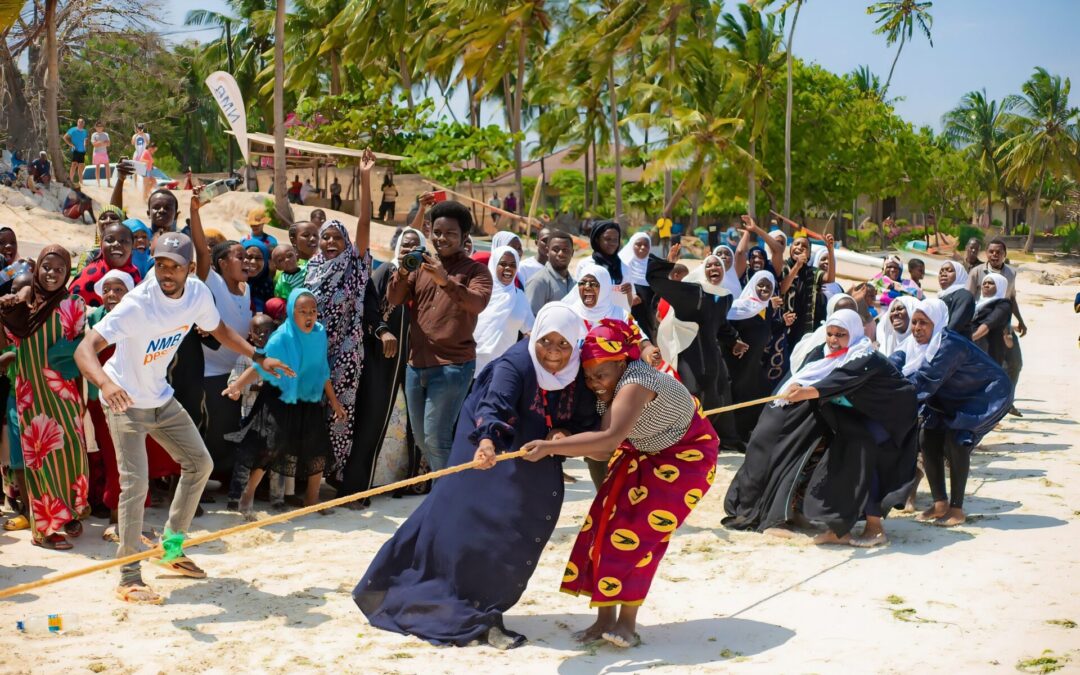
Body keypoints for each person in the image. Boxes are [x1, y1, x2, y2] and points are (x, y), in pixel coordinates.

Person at [355, 303, 597, 649]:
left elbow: (582, 418)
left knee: (519, 520)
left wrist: (561, 434)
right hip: (484, 438)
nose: (554, 353)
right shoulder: (517, 363)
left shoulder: (578, 370)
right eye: (547, 341)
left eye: (563, 344)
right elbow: (494, 405)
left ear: (576, 344)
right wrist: (486, 443)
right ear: (534, 337)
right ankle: (477, 612)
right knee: (472, 519)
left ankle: (488, 605)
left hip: (535, 443)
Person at [74, 231, 292, 604]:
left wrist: (257, 357)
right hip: (124, 402)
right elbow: (85, 349)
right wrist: (105, 384)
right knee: (135, 486)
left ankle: (170, 547)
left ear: (190, 269)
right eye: (160, 264)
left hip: (160, 397)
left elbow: (219, 329)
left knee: (199, 464)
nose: (166, 272)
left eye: (174, 266)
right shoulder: (136, 305)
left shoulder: (196, 294)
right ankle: (128, 575)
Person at [521, 319, 718, 648]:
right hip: (642, 453)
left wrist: (552, 447)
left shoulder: (636, 380)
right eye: (588, 375)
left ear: (622, 363)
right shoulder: (608, 389)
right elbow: (600, 442)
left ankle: (627, 624)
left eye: (602, 374)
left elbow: (607, 441)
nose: (595, 382)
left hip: (687, 458)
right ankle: (604, 620)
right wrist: (562, 437)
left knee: (638, 537)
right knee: (604, 528)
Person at [723, 309, 918, 547]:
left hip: (888, 420)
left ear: (854, 333)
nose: (834, 340)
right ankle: (837, 528)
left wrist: (802, 392)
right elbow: (812, 375)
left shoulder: (865, 357)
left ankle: (874, 529)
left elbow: (838, 382)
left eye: (841, 334)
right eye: (831, 334)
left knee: (865, 456)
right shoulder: (827, 354)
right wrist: (797, 384)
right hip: (859, 415)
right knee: (841, 456)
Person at [388, 199, 492, 472]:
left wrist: (445, 280)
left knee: (437, 438)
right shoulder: (420, 267)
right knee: (423, 440)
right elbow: (394, 298)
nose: (441, 238)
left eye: (450, 233)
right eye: (437, 232)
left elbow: (476, 303)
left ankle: (446, 503)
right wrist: (401, 271)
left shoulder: (476, 272)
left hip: (452, 367)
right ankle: (449, 494)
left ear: (465, 237)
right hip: (415, 366)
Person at [891, 299, 1012, 527]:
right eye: (914, 322)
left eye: (923, 323)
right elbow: (895, 363)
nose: (916, 328)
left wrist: (887, 394)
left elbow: (925, 381)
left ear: (936, 323)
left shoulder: (947, 345)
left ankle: (957, 509)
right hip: (949, 396)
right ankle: (940, 504)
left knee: (957, 441)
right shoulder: (913, 344)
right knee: (928, 437)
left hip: (985, 394)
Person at [225, 289, 346, 517]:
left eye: (313, 311)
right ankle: (247, 495)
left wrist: (335, 402)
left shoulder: (319, 333)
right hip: (279, 398)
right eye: (302, 311)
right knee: (269, 447)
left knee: (317, 448)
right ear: (292, 312)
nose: (309, 316)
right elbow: (259, 365)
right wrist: (236, 386)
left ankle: (312, 500)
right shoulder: (281, 337)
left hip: (308, 399)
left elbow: (322, 371)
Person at [0, 246, 89, 550]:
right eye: (46, 267)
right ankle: (44, 530)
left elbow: (80, 351)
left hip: (63, 390)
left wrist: (81, 398)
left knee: (72, 453)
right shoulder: (20, 307)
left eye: (59, 269)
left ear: (67, 273)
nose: (52, 273)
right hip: (30, 394)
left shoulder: (74, 305)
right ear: (37, 269)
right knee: (39, 461)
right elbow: (7, 344)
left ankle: (69, 513)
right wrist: (9, 309)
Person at [83, 270, 180, 542]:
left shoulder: (140, 318)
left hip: (137, 400)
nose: (112, 295)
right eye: (108, 290)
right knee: (116, 461)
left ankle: (133, 521)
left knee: (138, 461)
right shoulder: (92, 321)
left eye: (119, 290)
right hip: (104, 403)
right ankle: (117, 520)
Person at [341, 228, 429, 503]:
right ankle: (358, 489)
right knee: (372, 420)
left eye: (415, 245)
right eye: (405, 244)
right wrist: (381, 330)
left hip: (416, 362)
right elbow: (369, 306)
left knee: (415, 424)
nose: (409, 249)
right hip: (383, 361)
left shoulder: (429, 279)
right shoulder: (386, 272)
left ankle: (411, 483)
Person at [305, 150, 376, 480]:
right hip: (316, 351)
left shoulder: (355, 264)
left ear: (347, 243)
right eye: (325, 238)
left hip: (345, 352)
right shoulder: (312, 269)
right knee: (312, 413)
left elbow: (364, 222)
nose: (331, 242)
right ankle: (313, 477)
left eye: (337, 237)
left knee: (340, 413)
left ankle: (339, 476)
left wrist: (364, 177)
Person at [649, 255, 747, 453]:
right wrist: (667, 263)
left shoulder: (725, 296)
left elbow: (720, 325)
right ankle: (684, 440)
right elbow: (656, 281)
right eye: (709, 264)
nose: (713, 268)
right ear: (702, 269)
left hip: (710, 351)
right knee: (692, 392)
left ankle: (722, 438)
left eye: (717, 265)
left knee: (718, 393)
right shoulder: (693, 292)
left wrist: (733, 340)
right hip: (689, 350)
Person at [724, 271, 788, 441]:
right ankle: (732, 437)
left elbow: (764, 329)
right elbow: (724, 329)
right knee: (735, 396)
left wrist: (782, 323)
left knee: (754, 397)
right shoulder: (738, 307)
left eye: (768, 286)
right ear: (752, 285)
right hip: (737, 363)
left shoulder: (765, 307)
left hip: (753, 364)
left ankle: (745, 435)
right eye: (760, 284)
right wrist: (734, 342)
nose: (764, 288)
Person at [221, 313, 276, 511]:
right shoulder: (244, 357)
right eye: (257, 332)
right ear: (250, 335)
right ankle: (234, 497)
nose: (262, 336)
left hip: (271, 417)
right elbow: (235, 383)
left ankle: (270, 496)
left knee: (268, 456)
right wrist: (254, 388)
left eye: (266, 332)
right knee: (244, 458)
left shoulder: (276, 356)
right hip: (249, 415)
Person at [967, 238, 1025, 416]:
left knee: (1015, 362)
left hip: (1003, 324)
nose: (994, 255)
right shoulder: (977, 272)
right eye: (991, 251)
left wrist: (1020, 320)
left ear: (1004, 255)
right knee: (985, 367)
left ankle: (1007, 401)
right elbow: (967, 298)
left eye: (999, 252)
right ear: (986, 253)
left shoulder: (1011, 274)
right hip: (980, 326)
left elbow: (1011, 298)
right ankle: (983, 406)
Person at [473, 246, 534, 376]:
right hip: (472, 363)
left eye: (513, 265)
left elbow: (530, 330)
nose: (508, 268)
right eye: (503, 264)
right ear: (493, 264)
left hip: (501, 368)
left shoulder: (520, 297)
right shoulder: (481, 293)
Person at [68, 222, 141, 307]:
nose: (116, 244)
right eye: (110, 240)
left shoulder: (135, 274)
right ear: (101, 245)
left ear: (133, 246)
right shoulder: (89, 277)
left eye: (123, 241)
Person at [583, 221, 633, 312]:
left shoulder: (625, 267)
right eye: (607, 239)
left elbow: (629, 303)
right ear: (597, 240)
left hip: (619, 321)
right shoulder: (586, 265)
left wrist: (629, 292)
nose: (612, 243)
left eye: (615, 240)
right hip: (596, 321)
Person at [525, 230, 575, 315]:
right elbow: (529, 320)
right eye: (556, 250)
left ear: (572, 253)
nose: (561, 254)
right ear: (547, 251)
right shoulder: (538, 282)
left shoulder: (574, 283)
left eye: (565, 250)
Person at [619, 232, 657, 341]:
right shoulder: (622, 264)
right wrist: (630, 295)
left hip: (649, 312)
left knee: (647, 338)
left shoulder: (653, 264)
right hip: (630, 310)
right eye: (638, 244)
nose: (643, 247)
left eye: (646, 245)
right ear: (631, 245)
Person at [971, 273, 1012, 366]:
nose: (986, 285)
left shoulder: (1003, 304)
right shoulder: (978, 303)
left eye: (990, 283)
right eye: (984, 283)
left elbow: (988, 324)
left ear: (999, 285)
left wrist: (969, 338)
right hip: (973, 347)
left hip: (988, 350)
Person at [937, 260, 974, 339]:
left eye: (949, 270)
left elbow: (954, 327)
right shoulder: (941, 296)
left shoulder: (964, 295)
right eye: (941, 272)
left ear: (959, 274)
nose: (943, 274)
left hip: (955, 345)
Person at [242, 238, 274, 313]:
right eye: (249, 257)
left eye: (259, 258)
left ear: (265, 261)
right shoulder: (232, 281)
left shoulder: (267, 284)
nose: (253, 262)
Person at [64, 118, 88, 184]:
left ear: (84, 124)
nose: (80, 124)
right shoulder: (73, 130)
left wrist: (85, 146)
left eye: (82, 123)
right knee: (74, 165)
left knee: (81, 166)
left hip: (82, 151)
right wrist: (71, 144)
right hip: (75, 150)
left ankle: (81, 182)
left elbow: (85, 140)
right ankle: (71, 181)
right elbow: (65, 137)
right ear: (77, 123)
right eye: (79, 122)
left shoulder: (85, 131)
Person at [91, 121, 111, 187]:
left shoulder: (106, 134)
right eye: (98, 126)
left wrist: (99, 142)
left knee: (107, 167)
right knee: (97, 167)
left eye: (100, 126)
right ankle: (98, 183)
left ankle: (108, 183)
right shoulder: (94, 135)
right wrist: (103, 142)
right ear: (95, 127)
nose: (99, 128)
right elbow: (94, 145)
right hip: (96, 153)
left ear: (102, 127)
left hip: (104, 153)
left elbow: (108, 144)